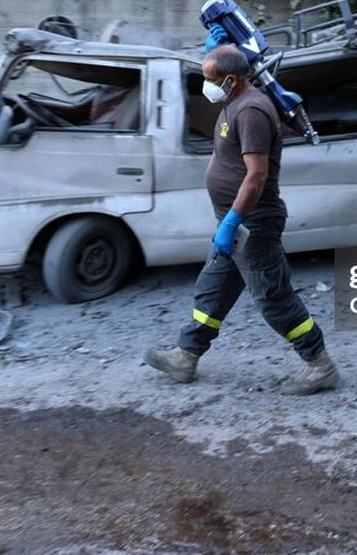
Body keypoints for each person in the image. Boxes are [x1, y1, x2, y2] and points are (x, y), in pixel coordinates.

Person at [143, 42, 338, 395]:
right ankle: (186, 355)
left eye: (211, 79)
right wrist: (215, 48)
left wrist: (233, 221)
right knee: (213, 288)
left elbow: (256, 176)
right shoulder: (236, 98)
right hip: (234, 221)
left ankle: (319, 364)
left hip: (253, 222)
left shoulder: (251, 111)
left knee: (272, 296)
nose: (207, 86)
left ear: (231, 81)